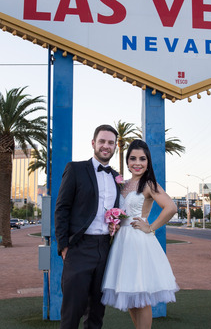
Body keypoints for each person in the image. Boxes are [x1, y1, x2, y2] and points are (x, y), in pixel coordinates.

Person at [101, 139, 179, 329]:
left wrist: (150, 227)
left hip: (138, 242)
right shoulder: (122, 184)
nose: (137, 163)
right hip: (121, 243)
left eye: (142, 159)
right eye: (133, 158)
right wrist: (114, 225)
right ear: (127, 161)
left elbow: (171, 207)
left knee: (141, 295)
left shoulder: (149, 184)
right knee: (129, 294)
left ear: (148, 162)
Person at [55, 124, 122, 329]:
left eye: (111, 143)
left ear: (115, 147)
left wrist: (115, 226)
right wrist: (64, 246)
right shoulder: (75, 169)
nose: (106, 146)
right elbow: (62, 208)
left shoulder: (117, 177)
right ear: (93, 143)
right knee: (72, 311)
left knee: (96, 312)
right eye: (102, 141)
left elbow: (116, 212)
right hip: (79, 248)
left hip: (105, 248)